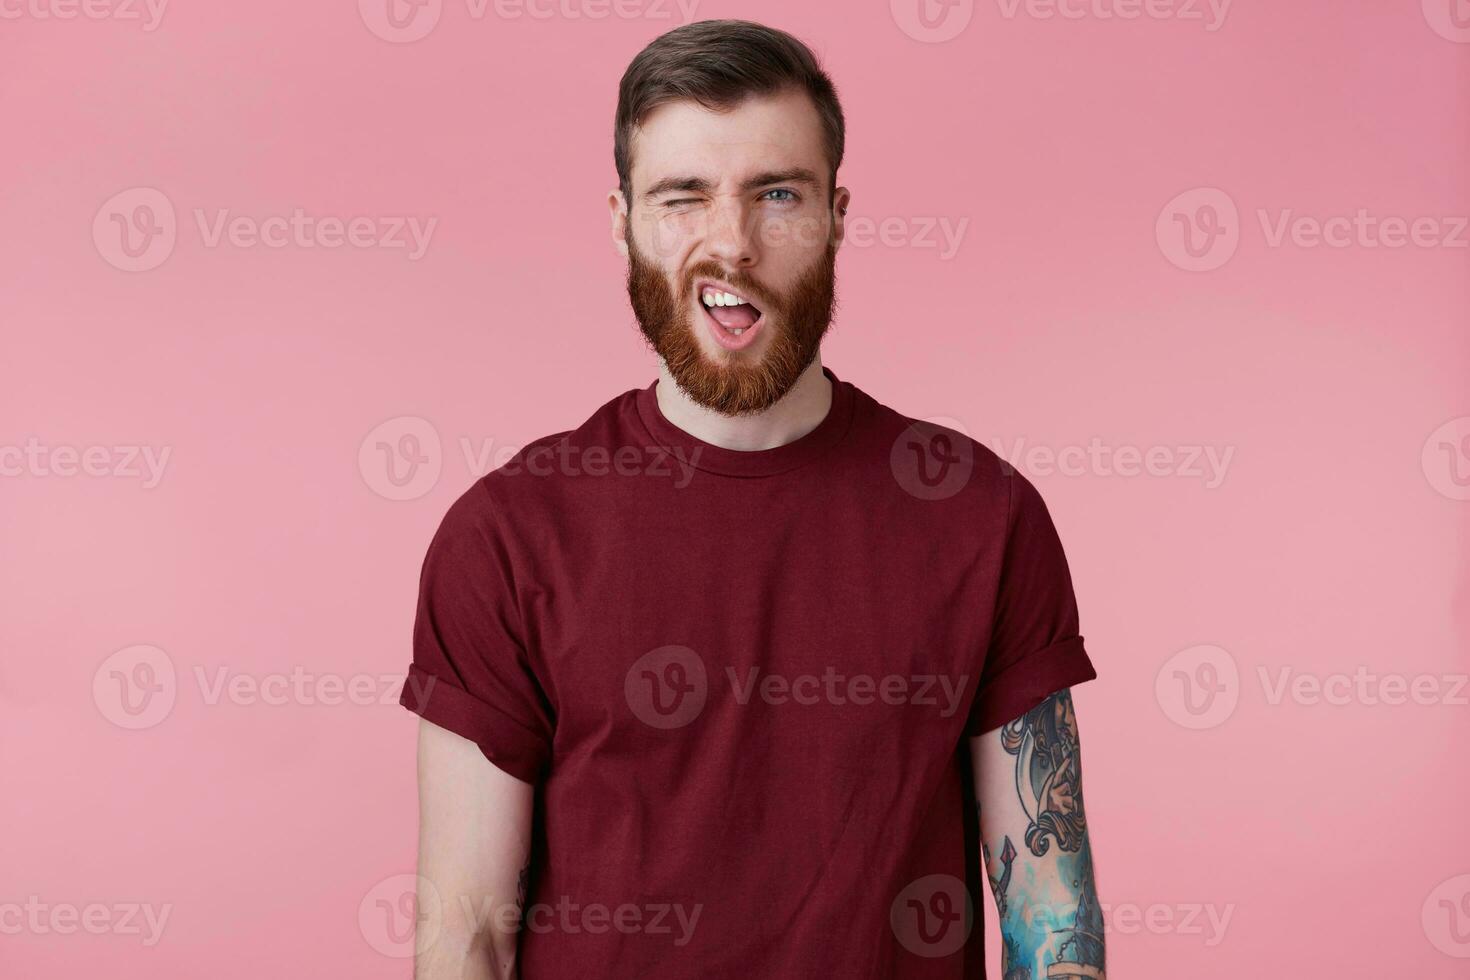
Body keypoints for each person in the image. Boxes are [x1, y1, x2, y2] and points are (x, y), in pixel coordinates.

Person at [400, 19, 1104, 980]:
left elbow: (1048, 916)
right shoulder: (507, 538)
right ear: (622, 221)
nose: (731, 245)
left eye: (777, 195)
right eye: (683, 196)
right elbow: (465, 933)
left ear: (838, 215)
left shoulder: (982, 517)